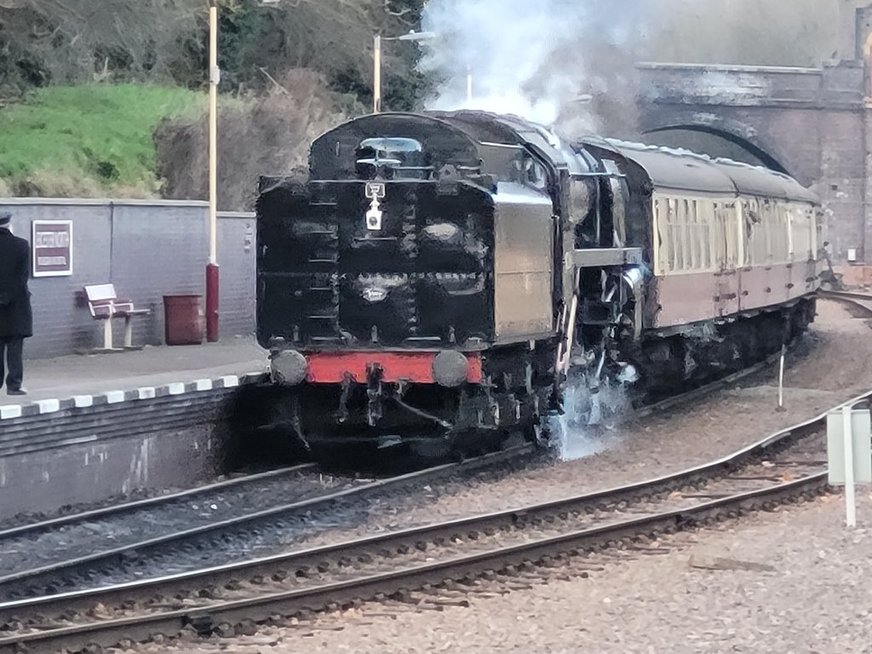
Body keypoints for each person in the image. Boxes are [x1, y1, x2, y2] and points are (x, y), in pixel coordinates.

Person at [0, 211, 32, 395]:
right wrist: (7, 297)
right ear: (8, 225)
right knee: (14, 347)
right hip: (16, 307)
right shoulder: (21, 245)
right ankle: (14, 385)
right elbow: (21, 278)